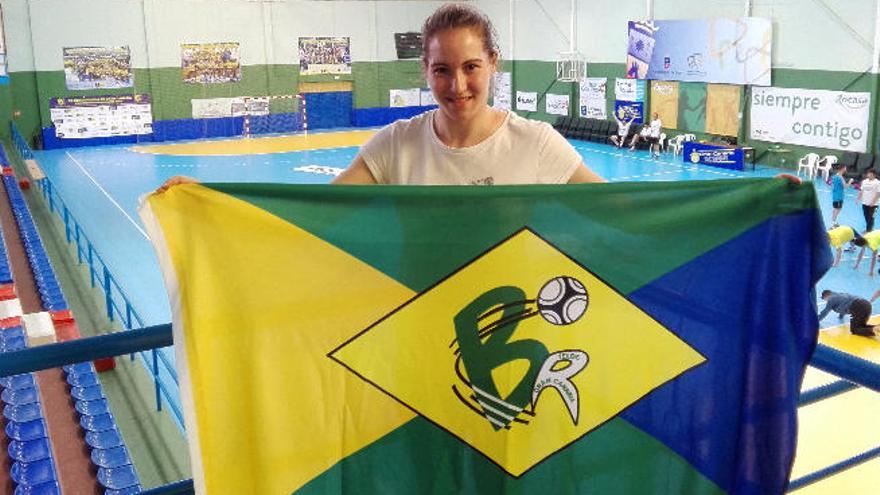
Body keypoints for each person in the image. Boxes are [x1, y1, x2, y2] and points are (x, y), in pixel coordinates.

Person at [331, 3, 604, 186]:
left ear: (493, 63)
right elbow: (320, 214)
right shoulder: (395, 145)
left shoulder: (536, 143)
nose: (457, 86)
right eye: (442, 70)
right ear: (425, 69)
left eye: (471, 67)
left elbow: (614, 207)